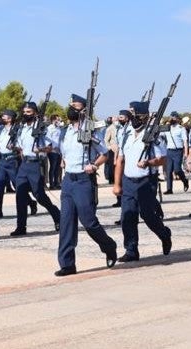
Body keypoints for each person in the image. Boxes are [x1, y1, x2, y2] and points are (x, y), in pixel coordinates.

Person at [55, 94, 117, 277]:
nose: (71, 109)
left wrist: (95, 165)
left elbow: (105, 153)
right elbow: (63, 152)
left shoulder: (90, 131)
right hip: (68, 181)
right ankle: (67, 264)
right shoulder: (65, 131)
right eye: (71, 105)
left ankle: (109, 245)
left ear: (84, 110)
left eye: (76, 106)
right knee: (66, 222)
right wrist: (63, 160)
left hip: (83, 180)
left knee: (89, 222)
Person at [113, 102, 172, 262]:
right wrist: (117, 183)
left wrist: (149, 163)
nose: (132, 118)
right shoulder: (126, 133)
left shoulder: (154, 135)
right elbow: (120, 159)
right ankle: (131, 250)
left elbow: (163, 159)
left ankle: (164, 234)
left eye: (135, 115)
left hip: (146, 180)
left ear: (144, 117)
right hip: (128, 181)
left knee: (147, 215)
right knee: (127, 216)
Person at [12, 102, 61, 236]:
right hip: (24, 164)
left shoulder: (42, 128)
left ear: (35, 113)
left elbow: (51, 147)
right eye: (24, 111)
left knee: (39, 196)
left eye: (28, 112)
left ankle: (57, 216)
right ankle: (21, 227)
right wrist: (15, 148)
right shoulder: (22, 128)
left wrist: (40, 149)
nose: (25, 114)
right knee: (20, 195)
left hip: (35, 164)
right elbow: (21, 147)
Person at [162, 111, 189, 194]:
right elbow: (160, 135)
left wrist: (186, 153)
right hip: (169, 151)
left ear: (177, 119)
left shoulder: (181, 128)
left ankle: (184, 180)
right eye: (171, 117)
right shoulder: (167, 128)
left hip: (178, 151)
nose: (172, 118)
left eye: (174, 117)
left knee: (177, 169)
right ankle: (169, 189)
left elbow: (185, 141)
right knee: (169, 170)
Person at [47, 114, 62, 190]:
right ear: (53, 120)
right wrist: (52, 147)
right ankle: (51, 184)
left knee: (58, 168)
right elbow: (48, 140)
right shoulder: (50, 128)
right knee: (52, 167)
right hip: (52, 151)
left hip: (59, 151)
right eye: (57, 119)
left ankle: (57, 183)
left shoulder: (58, 128)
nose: (59, 121)